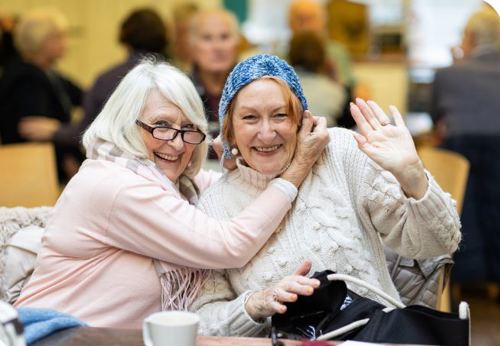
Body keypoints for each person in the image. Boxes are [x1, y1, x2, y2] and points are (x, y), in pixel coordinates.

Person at [14, 59, 329, 329]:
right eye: (160, 126)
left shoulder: (175, 185)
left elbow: (224, 186)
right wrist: (297, 168)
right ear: (125, 123)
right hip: (55, 336)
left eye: (187, 128)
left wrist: (239, 155)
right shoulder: (114, 185)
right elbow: (228, 245)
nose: (177, 144)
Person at [189, 54, 462, 336]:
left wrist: (412, 175)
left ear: (301, 120)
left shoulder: (340, 153)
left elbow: (441, 243)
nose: (267, 132)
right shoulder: (214, 205)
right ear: (229, 131)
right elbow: (201, 321)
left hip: (376, 337)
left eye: (280, 115)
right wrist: (256, 304)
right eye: (249, 118)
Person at [17, 8, 170, 150]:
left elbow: (88, 128)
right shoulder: (178, 78)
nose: (67, 42)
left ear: (125, 37)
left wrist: (57, 131)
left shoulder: (108, 80)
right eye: (59, 36)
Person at [431, 6, 500, 286]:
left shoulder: (448, 73)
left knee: (458, 196)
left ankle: (466, 276)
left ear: (470, 36)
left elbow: (437, 120)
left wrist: (456, 62)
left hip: (461, 152)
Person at [0, 8, 83, 181]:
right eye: (58, 37)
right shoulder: (25, 79)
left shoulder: (50, 74)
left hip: (47, 166)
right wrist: (67, 160)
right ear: (40, 41)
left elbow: (85, 97)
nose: (66, 42)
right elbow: (34, 131)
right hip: (34, 170)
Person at [288, 0, 356, 129]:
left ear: (322, 21)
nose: (305, 24)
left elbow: (349, 88)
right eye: (299, 19)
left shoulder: (338, 52)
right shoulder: (277, 55)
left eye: (310, 18)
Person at [188, 8, 239, 152]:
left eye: (224, 37)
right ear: (192, 45)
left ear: (237, 42)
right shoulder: (180, 91)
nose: (217, 47)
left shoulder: (253, 88)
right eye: (207, 38)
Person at [288, 30, 346, 127]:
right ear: (323, 58)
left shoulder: (281, 87)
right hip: (326, 138)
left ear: (290, 54)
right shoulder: (335, 91)